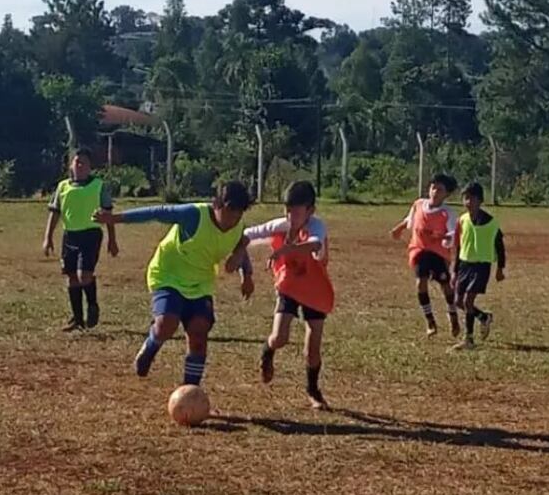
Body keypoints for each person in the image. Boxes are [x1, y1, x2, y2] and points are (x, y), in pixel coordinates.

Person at [92, 181, 254, 386]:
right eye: (230, 212)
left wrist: (246, 275)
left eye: (239, 214)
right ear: (217, 205)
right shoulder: (193, 215)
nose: (233, 219)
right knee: (166, 324)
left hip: (200, 281)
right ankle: (151, 346)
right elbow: (156, 212)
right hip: (168, 274)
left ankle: (190, 390)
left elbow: (240, 244)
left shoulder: (238, 227)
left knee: (199, 331)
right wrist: (114, 218)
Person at [240, 181, 334, 410]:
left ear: (310, 211)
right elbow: (246, 235)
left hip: (314, 290)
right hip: (289, 286)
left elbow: (313, 246)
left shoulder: (317, 227)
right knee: (279, 337)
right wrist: (238, 256)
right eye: (287, 210)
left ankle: (313, 390)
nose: (290, 216)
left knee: (313, 349)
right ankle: (268, 351)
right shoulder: (280, 225)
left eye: (296, 211)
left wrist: (286, 249)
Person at [43, 147, 119, 331]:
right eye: (76, 162)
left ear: (90, 167)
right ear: (71, 164)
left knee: (83, 275)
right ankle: (77, 319)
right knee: (71, 277)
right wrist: (48, 237)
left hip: (91, 234)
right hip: (70, 235)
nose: (80, 165)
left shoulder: (98, 185)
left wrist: (112, 239)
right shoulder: (63, 187)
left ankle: (92, 305)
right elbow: (55, 213)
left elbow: (107, 213)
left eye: (83, 163)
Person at [390, 174, 460, 337]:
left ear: (446, 194)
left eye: (440, 189)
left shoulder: (447, 213)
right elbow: (410, 220)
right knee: (420, 283)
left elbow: (453, 234)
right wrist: (399, 228)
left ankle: (453, 315)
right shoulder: (419, 204)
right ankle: (430, 321)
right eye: (433, 187)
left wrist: (441, 237)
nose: (435, 191)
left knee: (445, 286)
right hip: (419, 249)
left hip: (438, 253)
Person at [451, 182, 506, 351]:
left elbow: (500, 247)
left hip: (481, 266)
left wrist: (500, 268)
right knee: (458, 301)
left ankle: (468, 339)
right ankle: (483, 317)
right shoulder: (462, 220)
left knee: (468, 300)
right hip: (464, 265)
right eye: (465, 198)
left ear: (480, 200)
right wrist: (454, 270)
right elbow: (459, 246)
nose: (468, 202)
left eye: (472, 198)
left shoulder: (491, 223)